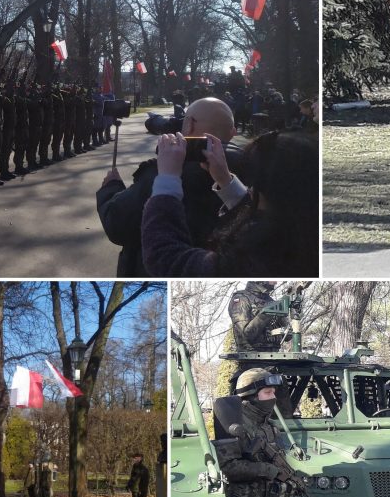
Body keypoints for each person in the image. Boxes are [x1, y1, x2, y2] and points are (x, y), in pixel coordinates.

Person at [141, 130, 319, 276]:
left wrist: (167, 180)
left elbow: (166, 258)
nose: (250, 189)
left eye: (252, 184)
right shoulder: (305, 234)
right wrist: (225, 180)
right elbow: (263, 217)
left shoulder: (254, 260)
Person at [98, 97, 242, 276]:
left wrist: (110, 189)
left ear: (189, 125)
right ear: (233, 132)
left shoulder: (163, 173)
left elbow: (118, 224)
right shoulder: (253, 173)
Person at [215, 368, 295, 497]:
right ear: (251, 395)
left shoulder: (269, 426)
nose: (273, 397)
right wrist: (266, 470)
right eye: (268, 392)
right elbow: (227, 468)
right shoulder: (232, 424)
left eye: (274, 392)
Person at [229, 282, 285, 352]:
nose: (276, 282)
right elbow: (245, 335)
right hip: (252, 357)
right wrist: (266, 314)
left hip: (274, 355)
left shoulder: (270, 301)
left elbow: (287, 336)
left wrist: (289, 312)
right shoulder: (241, 299)